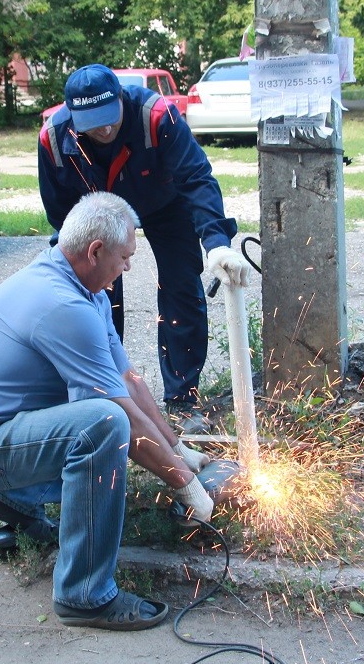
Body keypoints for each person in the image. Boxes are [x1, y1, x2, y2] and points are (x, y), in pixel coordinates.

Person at [0, 193, 216, 631]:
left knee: (103, 414)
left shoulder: (84, 288)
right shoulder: (61, 305)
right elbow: (116, 408)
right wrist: (185, 485)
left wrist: (178, 448)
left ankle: (17, 498)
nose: (128, 268)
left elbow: (127, 380)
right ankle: (84, 595)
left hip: (10, 430)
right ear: (95, 251)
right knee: (102, 425)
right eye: (125, 257)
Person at [38, 64, 250, 431]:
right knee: (95, 296)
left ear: (121, 99)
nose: (104, 129)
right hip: (98, 214)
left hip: (165, 205)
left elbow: (197, 178)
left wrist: (215, 242)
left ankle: (183, 401)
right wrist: (72, 265)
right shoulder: (54, 138)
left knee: (181, 288)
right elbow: (61, 213)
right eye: (93, 122)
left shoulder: (156, 116)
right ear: (73, 115)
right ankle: (103, 391)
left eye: (110, 118)